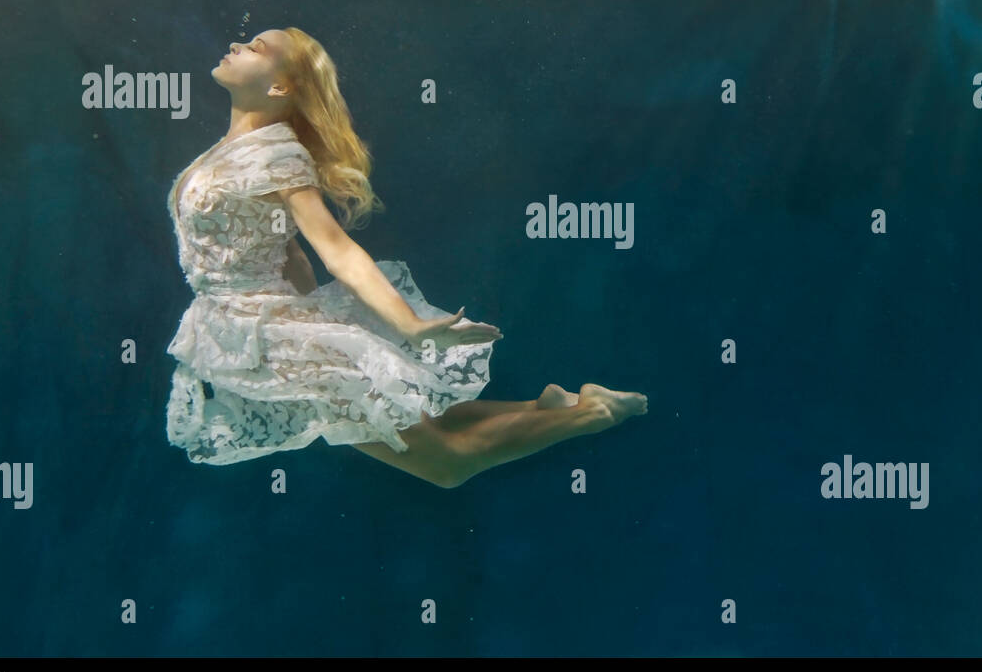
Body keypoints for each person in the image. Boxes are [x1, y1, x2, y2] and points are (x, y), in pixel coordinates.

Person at [165, 27, 648, 488]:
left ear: (278, 87)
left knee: (445, 465)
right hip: (252, 333)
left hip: (261, 335)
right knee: (408, 416)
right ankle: (549, 407)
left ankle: (590, 414)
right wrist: (320, 328)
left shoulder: (275, 156)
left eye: (256, 47)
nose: (235, 44)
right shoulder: (233, 152)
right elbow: (289, 253)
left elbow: (336, 249)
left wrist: (405, 325)